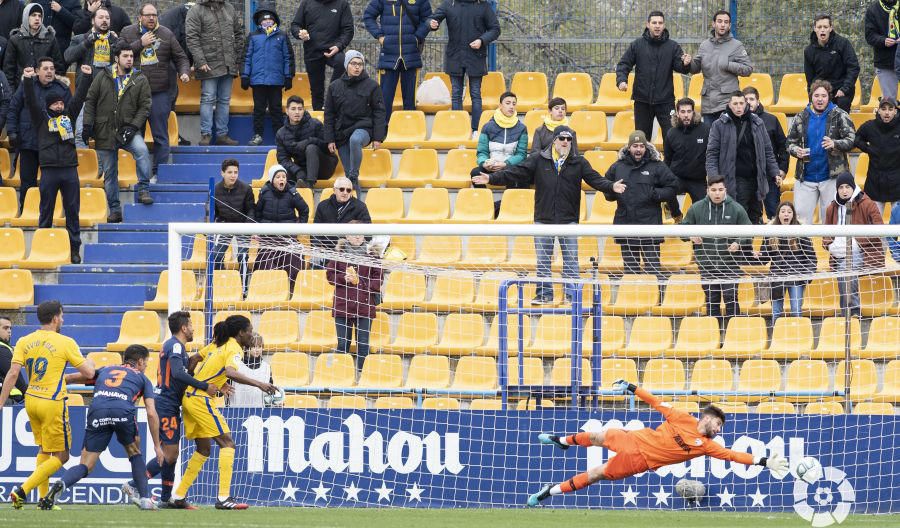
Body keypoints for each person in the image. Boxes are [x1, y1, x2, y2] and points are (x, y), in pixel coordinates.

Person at [527, 381, 788, 506]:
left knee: (596, 474)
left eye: (720, 428)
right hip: (635, 439)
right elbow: (656, 402)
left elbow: (733, 456)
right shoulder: (682, 417)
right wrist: (631, 387)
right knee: (598, 434)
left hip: (639, 461)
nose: (719, 430)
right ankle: (560, 440)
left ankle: (549, 492)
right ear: (707, 418)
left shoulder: (705, 445)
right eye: (718, 425)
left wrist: (764, 461)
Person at [473, 126, 626, 304]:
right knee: (543, 261)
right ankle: (544, 295)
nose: (566, 142)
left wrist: (611, 186)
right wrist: (492, 178)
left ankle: (572, 296)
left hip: (568, 220)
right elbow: (517, 172)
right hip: (543, 219)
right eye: (562, 138)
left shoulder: (579, 162)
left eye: (569, 139)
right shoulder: (538, 159)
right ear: (554, 140)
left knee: (570, 261)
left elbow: (595, 179)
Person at [170, 315, 277, 510]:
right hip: (201, 399)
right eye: (250, 331)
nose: (252, 335)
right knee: (227, 443)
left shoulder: (218, 343)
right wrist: (260, 384)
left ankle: (178, 496)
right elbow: (230, 371)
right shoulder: (234, 347)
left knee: (204, 449)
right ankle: (223, 497)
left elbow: (194, 359)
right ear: (241, 333)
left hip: (190, 398)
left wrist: (208, 383)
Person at [124, 311, 225, 510]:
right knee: (169, 454)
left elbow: (178, 372)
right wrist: (204, 386)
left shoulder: (173, 346)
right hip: (166, 405)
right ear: (184, 328)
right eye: (191, 325)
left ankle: (165, 498)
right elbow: (178, 374)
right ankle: (133, 484)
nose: (194, 328)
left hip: (168, 403)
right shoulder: (176, 346)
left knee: (173, 454)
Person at [40, 345, 162, 511]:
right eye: (146, 363)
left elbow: (70, 378)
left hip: (97, 410)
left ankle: (61, 483)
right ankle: (145, 499)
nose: (146, 366)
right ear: (140, 361)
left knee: (86, 465)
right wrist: (157, 445)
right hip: (122, 411)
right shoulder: (142, 378)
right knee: (134, 452)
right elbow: (151, 413)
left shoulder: (105, 370)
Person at [0, 300, 96, 509]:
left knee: (44, 450)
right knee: (62, 456)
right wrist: (90, 361)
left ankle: (44, 500)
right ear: (54, 318)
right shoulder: (65, 342)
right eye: (61, 316)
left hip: (31, 401)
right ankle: (22, 490)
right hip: (52, 403)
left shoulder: (25, 341)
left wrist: (0, 402)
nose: (62, 320)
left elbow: (13, 373)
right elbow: (89, 373)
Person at [25, 60, 91, 263]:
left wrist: (86, 78)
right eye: (56, 103)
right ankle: (43, 246)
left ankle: (74, 249)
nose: (60, 106)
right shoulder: (41, 119)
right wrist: (28, 81)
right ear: (49, 106)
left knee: (72, 210)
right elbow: (32, 101)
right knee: (46, 210)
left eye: (61, 103)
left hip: (70, 170)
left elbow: (78, 99)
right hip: (49, 171)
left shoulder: (68, 118)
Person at [119, 2, 191, 174]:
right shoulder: (127, 32)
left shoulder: (166, 33)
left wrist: (184, 72)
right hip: (134, 93)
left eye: (154, 15)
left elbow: (181, 57)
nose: (152, 18)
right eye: (148, 15)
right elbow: (118, 53)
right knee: (135, 134)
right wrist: (139, 43)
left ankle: (159, 170)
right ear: (140, 17)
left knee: (160, 134)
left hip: (159, 93)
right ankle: (138, 172)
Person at [83, 43, 153, 214]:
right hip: (105, 130)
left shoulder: (140, 78)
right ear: (116, 58)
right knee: (110, 173)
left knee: (142, 151)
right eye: (125, 56)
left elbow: (145, 107)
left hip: (128, 128)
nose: (129, 59)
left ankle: (143, 188)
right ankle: (114, 210)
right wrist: (87, 124)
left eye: (131, 56)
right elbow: (90, 101)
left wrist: (133, 126)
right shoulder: (102, 76)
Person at [605, 130, 679, 278]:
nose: (638, 149)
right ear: (629, 147)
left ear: (646, 147)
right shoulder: (617, 166)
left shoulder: (657, 165)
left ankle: (655, 300)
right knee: (630, 272)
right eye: (635, 146)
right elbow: (606, 189)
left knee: (653, 271)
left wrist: (656, 194)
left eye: (641, 146)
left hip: (650, 225)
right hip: (625, 224)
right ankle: (632, 301)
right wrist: (613, 191)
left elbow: (673, 187)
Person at [681, 175, 752, 321]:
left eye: (720, 190)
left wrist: (738, 242)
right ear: (707, 191)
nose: (717, 193)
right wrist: (691, 236)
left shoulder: (736, 208)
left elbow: (750, 232)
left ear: (725, 190)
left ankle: (734, 333)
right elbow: (682, 230)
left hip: (730, 265)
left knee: (730, 298)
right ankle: (714, 337)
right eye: (713, 190)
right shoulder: (696, 208)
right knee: (712, 302)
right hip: (706, 265)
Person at [5, 53, 71, 211]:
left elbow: (70, 114)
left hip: (52, 145)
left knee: (50, 182)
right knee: (27, 182)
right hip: (28, 142)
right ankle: (26, 210)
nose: (49, 72)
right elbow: (13, 108)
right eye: (45, 69)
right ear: (37, 71)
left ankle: (48, 212)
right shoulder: (26, 85)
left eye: (52, 69)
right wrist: (12, 132)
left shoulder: (62, 89)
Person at [786, 79, 856, 225]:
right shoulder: (801, 116)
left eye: (823, 96)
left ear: (829, 97)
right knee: (801, 223)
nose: (820, 99)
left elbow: (851, 139)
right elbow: (789, 142)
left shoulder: (839, 115)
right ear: (811, 96)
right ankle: (804, 248)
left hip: (831, 177)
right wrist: (795, 150)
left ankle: (830, 249)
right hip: (805, 177)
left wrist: (835, 143)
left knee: (831, 222)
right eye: (816, 95)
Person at [706, 91, 781, 224]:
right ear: (729, 104)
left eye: (741, 103)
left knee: (755, 217)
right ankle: (740, 244)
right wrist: (713, 178)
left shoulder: (757, 122)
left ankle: (748, 245)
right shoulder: (719, 125)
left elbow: (768, 150)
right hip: (735, 179)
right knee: (740, 217)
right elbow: (712, 154)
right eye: (735, 103)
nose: (738, 106)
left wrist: (775, 172)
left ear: (746, 104)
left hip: (757, 178)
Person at [616, 10, 691, 139]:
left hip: (666, 101)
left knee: (671, 137)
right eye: (654, 23)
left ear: (664, 25)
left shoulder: (673, 46)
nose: (657, 26)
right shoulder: (637, 45)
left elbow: (681, 68)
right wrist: (622, 80)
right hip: (642, 101)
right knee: (642, 139)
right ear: (648, 24)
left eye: (660, 23)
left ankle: (670, 160)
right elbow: (623, 64)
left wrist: (685, 63)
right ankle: (645, 160)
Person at [429, 0, 500, 134]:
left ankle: (476, 130)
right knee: (456, 93)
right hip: (455, 56)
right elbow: (433, 20)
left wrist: (482, 40)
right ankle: (458, 128)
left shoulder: (483, 5)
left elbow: (495, 29)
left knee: (475, 94)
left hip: (476, 56)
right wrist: (432, 24)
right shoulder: (449, 4)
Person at [323, 50, 386, 194]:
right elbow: (329, 114)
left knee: (355, 140)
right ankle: (356, 205)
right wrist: (330, 139)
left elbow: (379, 111)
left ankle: (354, 173)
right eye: (353, 63)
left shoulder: (372, 85)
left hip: (363, 128)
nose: (357, 67)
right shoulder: (334, 86)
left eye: (360, 64)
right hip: (342, 133)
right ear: (346, 65)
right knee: (349, 178)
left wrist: (378, 137)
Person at [823, 172, 885, 317]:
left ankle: (854, 310)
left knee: (845, 270)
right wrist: (830, 245)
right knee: (842, 273)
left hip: (864, 251)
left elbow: (880, 229)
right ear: (837, 190)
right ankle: (847, 312)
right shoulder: (831, 208)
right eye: (841, 188)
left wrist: (856, 242)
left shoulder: (868, 203)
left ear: (853, 187)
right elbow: (825, 233)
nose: (844, 191)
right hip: (838, 252)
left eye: (847, 187)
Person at [186, 0, 243, 146]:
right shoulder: (196, 10)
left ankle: (222, 135)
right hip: (208, 65)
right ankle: (206, 135)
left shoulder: (229, 8)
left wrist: (236, 58)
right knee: (208, 98)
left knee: (224, 100)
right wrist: (200, 61)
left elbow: (239, 34)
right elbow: (192, 38)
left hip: (228, 64)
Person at [363, 0, 432, 122]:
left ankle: (409, 131)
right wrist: (379, 36)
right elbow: (368, 16)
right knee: (384, 99)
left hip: (410, 55)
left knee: (410, 100)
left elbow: (427, 20)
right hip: (388, 55)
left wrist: (417, 38)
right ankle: (382, 132)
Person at [327, 226, 384, 372]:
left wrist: (361, 283)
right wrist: (343, 278)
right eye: (354, 234)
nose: (358, 237)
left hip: (364, 307)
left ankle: (362, 374)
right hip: (342, 306)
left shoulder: (372, 255)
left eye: (360, 234)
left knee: (363, 345)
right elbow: (330, 276)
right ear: (347, 236)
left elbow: (379, 279)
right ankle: (341, 374)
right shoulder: (338, 254)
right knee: (342, 344)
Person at [241, 5, 295, 146]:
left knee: (276, 109)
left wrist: (288, 76)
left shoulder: (282, 36)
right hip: (258, 81)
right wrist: (245, 75)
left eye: (270, 19)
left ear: (275, 21)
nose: (267, 22)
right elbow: (246, 57)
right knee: (258, 109)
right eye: (264, 20)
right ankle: (257, 135)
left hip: (276, 81)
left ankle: (280, 136)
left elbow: (288, 57)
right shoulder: (253, 37)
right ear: (259, 22)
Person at [753, 201, 816, 320]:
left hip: (796, 278)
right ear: (778, 215)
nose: (786, 214)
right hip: (777, 278)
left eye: (789, 212)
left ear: (793, 215)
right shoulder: (770, 232)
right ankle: (775, 335)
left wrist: (807, 276)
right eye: (783, 212)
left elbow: (811, 256)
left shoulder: (802, 232)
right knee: (776, 312)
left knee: (796, 310)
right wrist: (758, 255)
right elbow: (765, 256)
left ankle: (797, 335)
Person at [469, 91, 528, 216]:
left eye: (514, 104)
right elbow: (482, 151)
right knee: (475, 172)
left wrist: (505, 164)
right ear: (500, 105)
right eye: (508, 103)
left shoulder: (521, 128)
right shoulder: (488, 127)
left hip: (509, 168)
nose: (511, 106)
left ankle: (499, 207)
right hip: (492, 166)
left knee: (521, 175)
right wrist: (484, 163)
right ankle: (486, 205)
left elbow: (521, 154)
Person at [689, 9, 753, 122]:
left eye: (726, 22)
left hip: (727, 103)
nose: (723, 24)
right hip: (708, 103)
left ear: (729, 25)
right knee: (711, 139)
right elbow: (695, 69)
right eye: (719, 21)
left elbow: (748, 69)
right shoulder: (704, 45)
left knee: (727, 138)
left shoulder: (736, 45)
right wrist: (689, 63)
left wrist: (728, 65)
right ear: (713, 24)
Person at [290, 0, 354, 111]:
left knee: (342, 62)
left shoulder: (342, 4)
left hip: (333, 49)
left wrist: (339, 46)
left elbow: (348, 29)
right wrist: (300, 33)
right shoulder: (307, 3)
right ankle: (318, 115)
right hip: (312, 51)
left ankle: (332, 94)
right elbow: (295, 25)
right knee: (316, 90)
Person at [254, 164, 310, 285]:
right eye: (278, 177)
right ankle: (271, 287)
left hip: (287, 238)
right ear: (272, 179)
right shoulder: (264, 193)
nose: (281, 179)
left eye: (283, 177)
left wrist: (299, 227)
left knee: (295, 258)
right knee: (265, 259)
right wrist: (258, 230)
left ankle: (291, 287)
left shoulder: (292, 193)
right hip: (268, 238)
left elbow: (304, 209)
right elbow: (257, 212)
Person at [743, 85, 789, 220]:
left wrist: (782, 169)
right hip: (747, 176)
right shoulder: (738, 122)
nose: (749, 102)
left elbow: (784, 146)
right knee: (749, 214)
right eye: (745, 99)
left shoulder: (771, 120)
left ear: (758, 101)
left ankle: (776, 241)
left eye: (752, 99)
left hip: (769, 175)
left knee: (773, 213)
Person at [212, 158, 254, 294]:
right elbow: (211, 212)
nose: (233, 175)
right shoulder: (214, 189)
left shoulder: (246, 189)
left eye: (236, 172)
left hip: (242, 226)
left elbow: (251, 210)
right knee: (216, 255)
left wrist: (248, 226)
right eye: (230, 172)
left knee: (242, 257)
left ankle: (243, 289)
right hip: (224, 225)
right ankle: (220, 283)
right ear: (222, 173)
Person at [277, 95, 337, 188]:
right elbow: (283, 159)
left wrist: (310, 141)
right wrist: (298, 171)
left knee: (311, 148)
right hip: (302, 168)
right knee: (279, 173)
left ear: (303, 110)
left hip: (325, 166)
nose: (297, 112)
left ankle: (310, 186)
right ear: (287, 111)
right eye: (293, 109)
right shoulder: (281, 133)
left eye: (300, 109)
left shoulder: (315, 124)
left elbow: (328, 148)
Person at [803, 14, 859, 113]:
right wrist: (812, 96)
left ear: (830, 28)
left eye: (825, 27)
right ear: (815, 29)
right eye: (819, 27)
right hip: (821, 90)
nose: (822, 30)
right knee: (811, 111)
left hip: (841, 89)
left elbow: (853, 68)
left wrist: (844, 89)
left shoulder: (843, 44)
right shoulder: (809, 51)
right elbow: (810, 79)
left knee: (841, 107)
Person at [3, 3, 65, 90]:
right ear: (26, 17)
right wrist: (13, 95)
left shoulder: (50, 39)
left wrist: (53, 91)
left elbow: (59, 68)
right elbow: (9, 71)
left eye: (40, 16)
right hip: (21, 91)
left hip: (45, 90)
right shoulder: (15, 40)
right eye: (33, 15)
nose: (37, 18)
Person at [855, 97, 900, 212]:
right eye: (883, 109)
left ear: (895, 111)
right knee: (873, 226)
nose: (887, 112)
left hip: (897, 181)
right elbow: (856, 138)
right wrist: (867, 148)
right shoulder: (870, 126)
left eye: (890, 109)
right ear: (878, 110)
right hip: (875, 181)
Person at [664, 97, 710, 208]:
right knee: (661, 192)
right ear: (677, 114)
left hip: (698, 180)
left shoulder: (705, 129)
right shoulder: (671, 133)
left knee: (704, 208)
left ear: (693, 112)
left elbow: (712, 155)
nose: (686, 115)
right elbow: (668, 159)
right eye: (682, 112)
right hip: (677, 177)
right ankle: (674, 213)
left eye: (689, 111)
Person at [64, 6, 119, 91]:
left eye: (107, 18)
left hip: (109, 89)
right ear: (93, 21)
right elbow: (68, 57)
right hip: (86, 89)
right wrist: (86, 43)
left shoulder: (115, 40)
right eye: (101, 17)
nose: (104, 20)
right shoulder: (80, 39)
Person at [313, 175, 372, 251]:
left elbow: (368, 232)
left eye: (348, 190)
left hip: (351, 251)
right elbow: (315, 230)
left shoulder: (360, 207)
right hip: (326, 251)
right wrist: (317, 247)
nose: (345, 192)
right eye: (341, 189)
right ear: (334, 190)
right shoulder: (322, 206)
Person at [864, 0, 899, 102]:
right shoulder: (872, 10)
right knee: (889, 102)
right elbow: (869, 36)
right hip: (885, 63)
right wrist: (883, 41)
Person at [229, 333, 273, 408]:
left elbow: (269, 389)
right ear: (246, 348)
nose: (257, 349)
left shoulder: (266, 367)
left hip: (258, 410)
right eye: (254, 347)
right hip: (236, 409)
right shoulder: (235, 364)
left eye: (260, 347)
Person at [0, 315, 27, 405]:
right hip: (7, 401)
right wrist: (27, 393)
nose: (9, 331)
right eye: (5, 328)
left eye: (10, 328)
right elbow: (14, 375)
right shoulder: (2, 349)